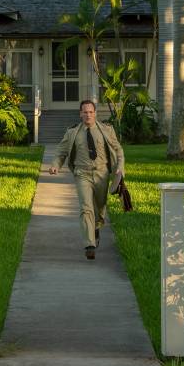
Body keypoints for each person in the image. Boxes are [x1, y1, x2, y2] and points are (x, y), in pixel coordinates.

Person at [48, 100, 125, 260]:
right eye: (85, 112)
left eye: (91, 112)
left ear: (95, 113)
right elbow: (61, 151)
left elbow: (118, 150)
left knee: (100, 208)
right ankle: (89, 244)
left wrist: (120, 168)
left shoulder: (106, 130)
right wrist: (55, 165)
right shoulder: (72, 133)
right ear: (80, 114)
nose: (88, 115)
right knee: (86, 208)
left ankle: (96, 227)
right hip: (82, 174)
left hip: (102, 173)